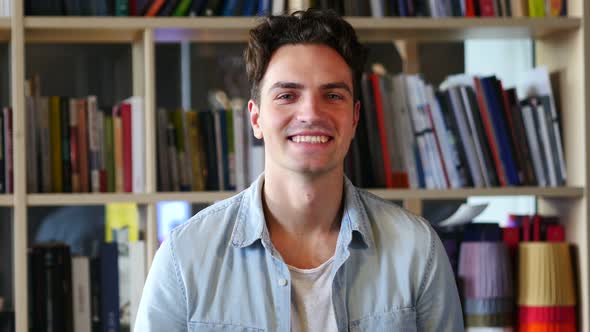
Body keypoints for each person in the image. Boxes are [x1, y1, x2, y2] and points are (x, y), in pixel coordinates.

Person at [135, 9, 463, 331]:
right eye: (287, 95)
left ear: (354, 118)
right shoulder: (185, 257)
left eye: (332, 95)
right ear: (256, 118)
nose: (310, 113)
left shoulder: (418, 250)